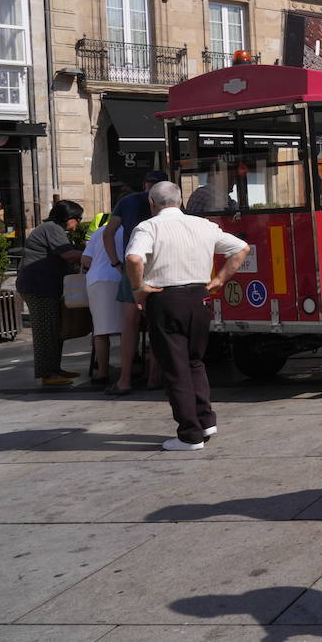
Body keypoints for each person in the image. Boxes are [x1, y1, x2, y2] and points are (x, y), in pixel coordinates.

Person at [125, 181, 250, 451]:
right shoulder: (203, 225)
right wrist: (220, 278)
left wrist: (138, 288)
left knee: (175, 368)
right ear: (180, 201)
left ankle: (190, 434)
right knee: (195, 361)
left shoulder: (148, 227)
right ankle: (206, 420)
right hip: (199, 297)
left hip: (165, 297)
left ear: (152, 203)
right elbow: (241, 248)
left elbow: (134, 259)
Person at [101, 169, 168, 395]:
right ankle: (154, 377)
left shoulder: (127, 201)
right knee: (156, 324)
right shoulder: (169, 203)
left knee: (128, 326)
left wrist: (116, 263)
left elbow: (108, 233)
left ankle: (125, 379)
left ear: (144, 184)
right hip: (159, 267)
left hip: (132, 267)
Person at [17, 200, 85, 386]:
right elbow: (69, 255)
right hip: (38, 287)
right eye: (77, 218)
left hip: (46, 286)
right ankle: (48, 374)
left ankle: (55, 369)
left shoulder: (53, 229)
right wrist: (93, 256)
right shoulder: (52, 228)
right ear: (68, 217)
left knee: (55, 329)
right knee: (45, 331)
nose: (78, 223)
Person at [82, 222, 126, 385]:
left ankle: (102, 373)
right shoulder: (133, 228)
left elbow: (85, 260)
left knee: (101, 331)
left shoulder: (100, 230)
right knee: (126, 329)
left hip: (97, 280)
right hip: (122, 278)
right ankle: (126, 371)